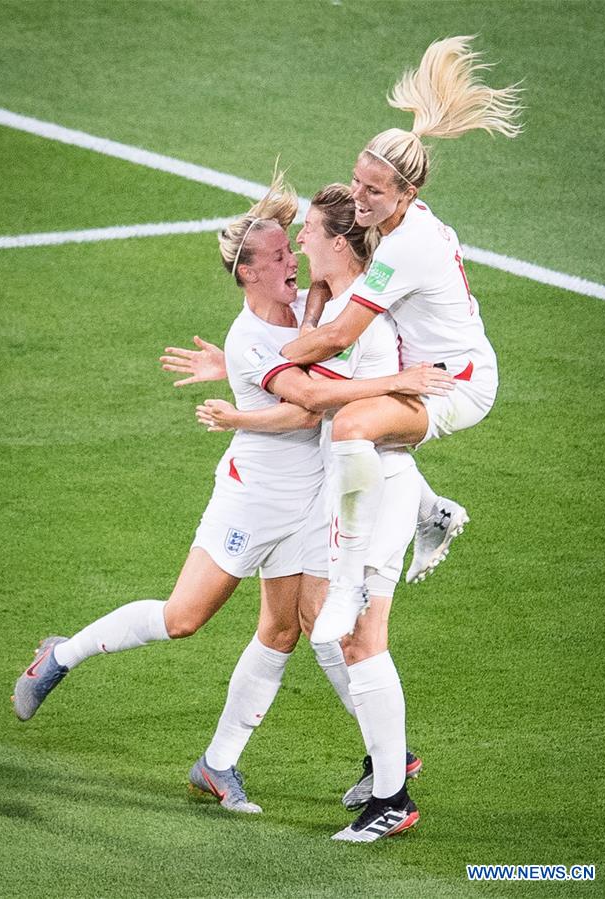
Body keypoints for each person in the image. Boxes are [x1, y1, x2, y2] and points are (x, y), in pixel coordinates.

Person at [12, 173, 448, 818]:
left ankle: (228, 764)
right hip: (254, 499)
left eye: (292, 248)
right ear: (248, 273)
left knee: (297, 627)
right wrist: (395, 382)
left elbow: (321, 326)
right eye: (278, 256)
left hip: (312, 500)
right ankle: (61, 655)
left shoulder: (308, 311)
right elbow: (307, 406)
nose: (293, 260)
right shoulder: (249, 336)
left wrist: (239, 379)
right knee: (183, 618)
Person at [167, 183, 458, 841]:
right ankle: (386, 772)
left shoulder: (354, 325)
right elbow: (305, 344)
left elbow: (308, 395)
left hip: (370, 493)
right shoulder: (342, 306)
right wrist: (239, 360)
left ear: (338, 244)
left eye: (309, 235)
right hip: (354, 487)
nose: (299, 244)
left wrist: (243, 387)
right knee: (321, 626)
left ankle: (393, 793)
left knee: (352, 638)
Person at [275, 36, 522, 644]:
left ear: (407, 194)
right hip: (426, 365)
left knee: (353, 426)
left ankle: (348, 581)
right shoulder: (392, 222)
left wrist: (277, 358)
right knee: (357, 422)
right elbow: (330, 278)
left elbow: (339, 335)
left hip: (456, 384)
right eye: (357, 182)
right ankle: (431, 510)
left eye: (372, 191)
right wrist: (309, 313)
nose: (357, 199)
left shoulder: (407, 245)